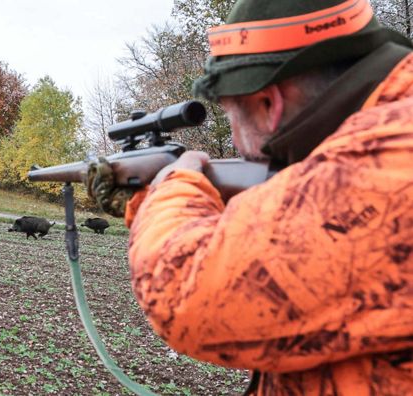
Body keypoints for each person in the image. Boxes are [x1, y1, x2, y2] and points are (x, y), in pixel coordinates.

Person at [86, 0, 413, 393]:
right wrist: (148, 198)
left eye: (230, 115)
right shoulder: (383, 133)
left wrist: (175, 184)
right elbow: (278, 227)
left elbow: (187, 294)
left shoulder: (387, 160)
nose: (234, 137)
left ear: (267, 105)